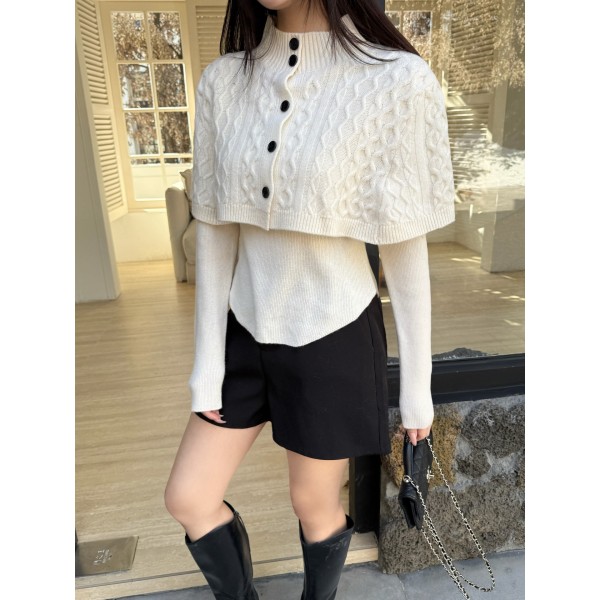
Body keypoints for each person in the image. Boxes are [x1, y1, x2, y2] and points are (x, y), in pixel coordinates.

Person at [164, 1, 455, 598]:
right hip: (245, 326)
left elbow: (404, 245)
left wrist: (416, 392)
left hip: (333, 330)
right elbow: (215, 229)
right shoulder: (224, 82)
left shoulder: (395, 81)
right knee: (189, 497)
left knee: (312, 504)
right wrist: (207, 366)